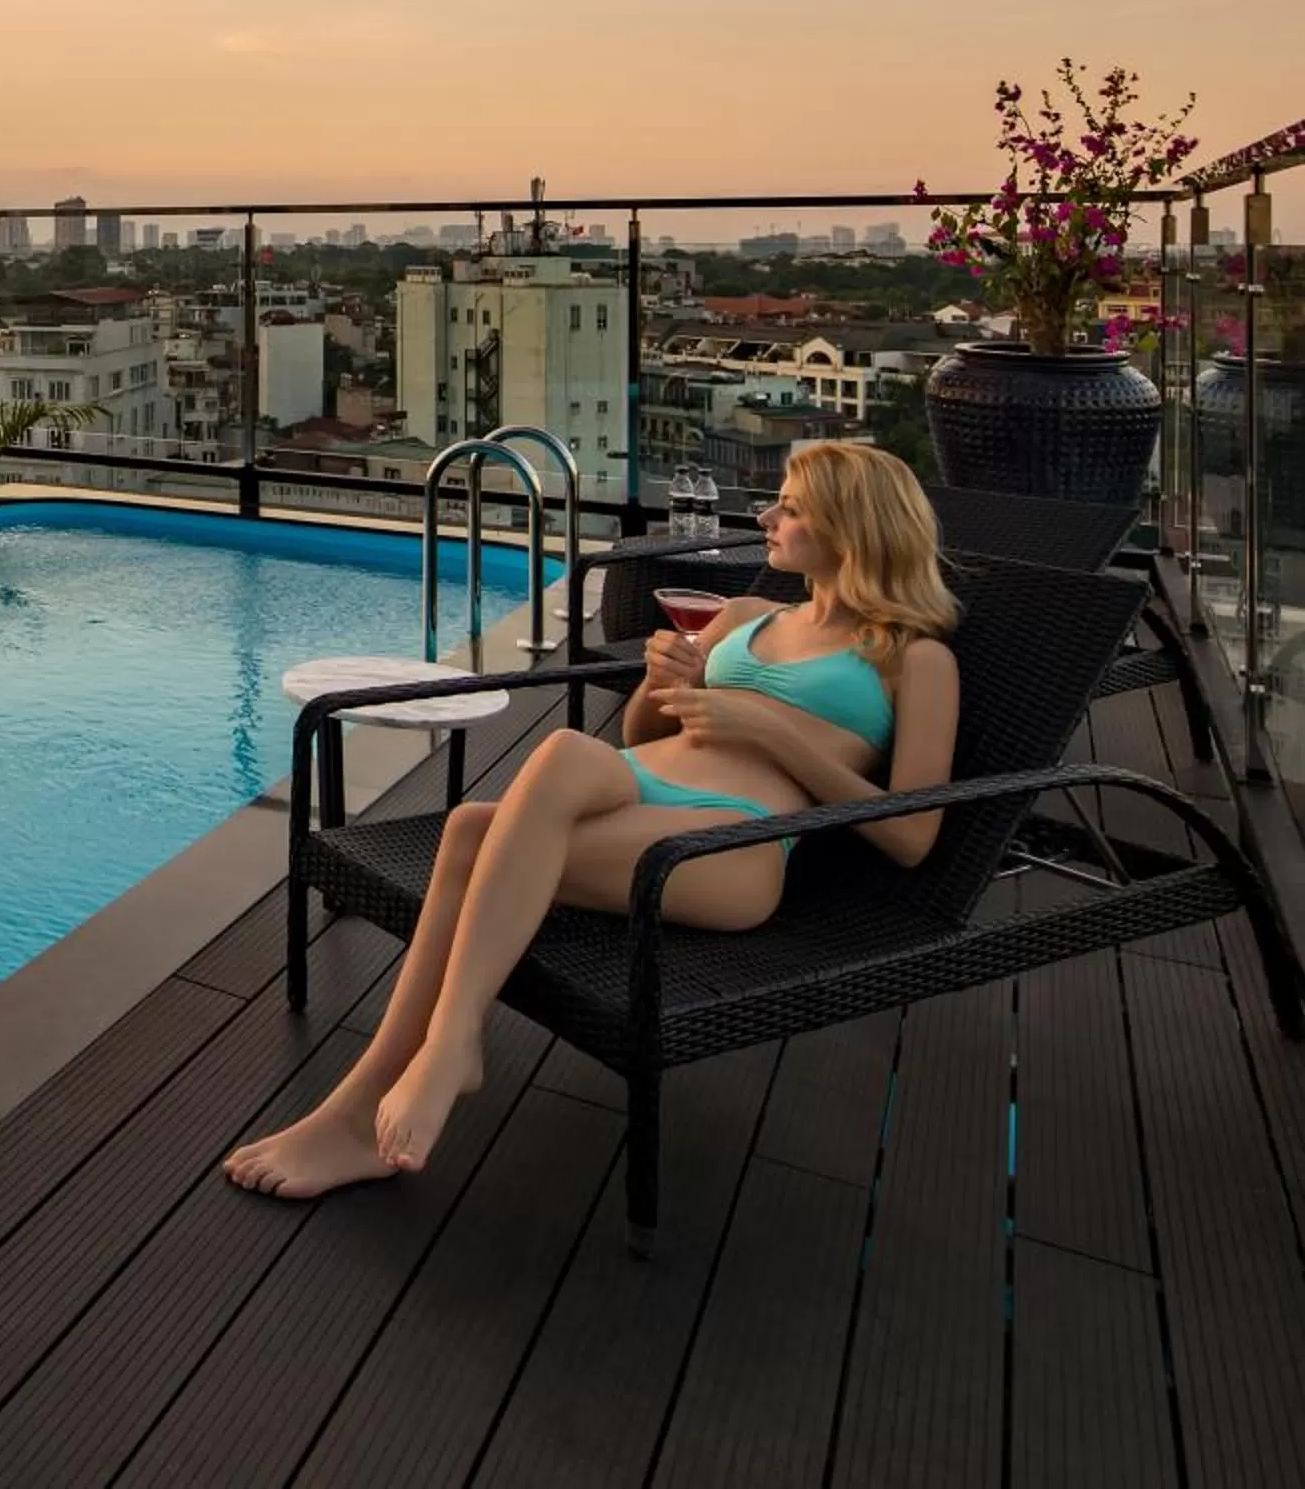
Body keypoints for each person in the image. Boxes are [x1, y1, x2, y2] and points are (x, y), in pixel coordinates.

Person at [224, 441, 961, 1198]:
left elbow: (913, 835)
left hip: (732, 841)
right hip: (642, 785)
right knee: (520, 788)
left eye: (792, 507)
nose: (767, 517)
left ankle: (401, 1081)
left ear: (851, 527)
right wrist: (659, 682)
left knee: (476, 836)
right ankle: (415, 1068)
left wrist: (773, 733)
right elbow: (643, 733)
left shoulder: (913, 658)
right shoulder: (746, 616)